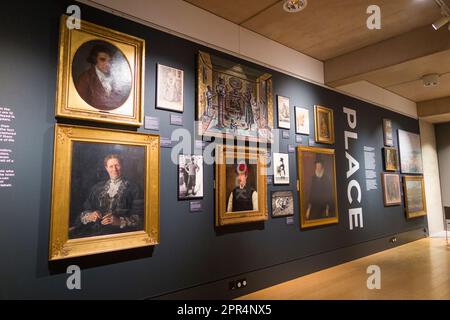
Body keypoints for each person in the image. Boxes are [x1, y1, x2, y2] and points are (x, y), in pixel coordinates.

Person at [70, 154, 143, 238]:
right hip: (94, 230)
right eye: (111, 166)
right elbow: (85, 210)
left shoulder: (134, 188)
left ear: (121, 166)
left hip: (120, 234)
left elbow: (139, 219)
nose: (114, 169)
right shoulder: (97, 188)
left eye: (117, 165)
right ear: (106, 168)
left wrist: (118, 221)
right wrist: (90, 215)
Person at [74, 44, 130, 111]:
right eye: (102, 59)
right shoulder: (85, 78)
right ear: (94, 59)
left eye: (109, 61)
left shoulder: (116, 79)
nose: (107, 64)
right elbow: (79, 105)